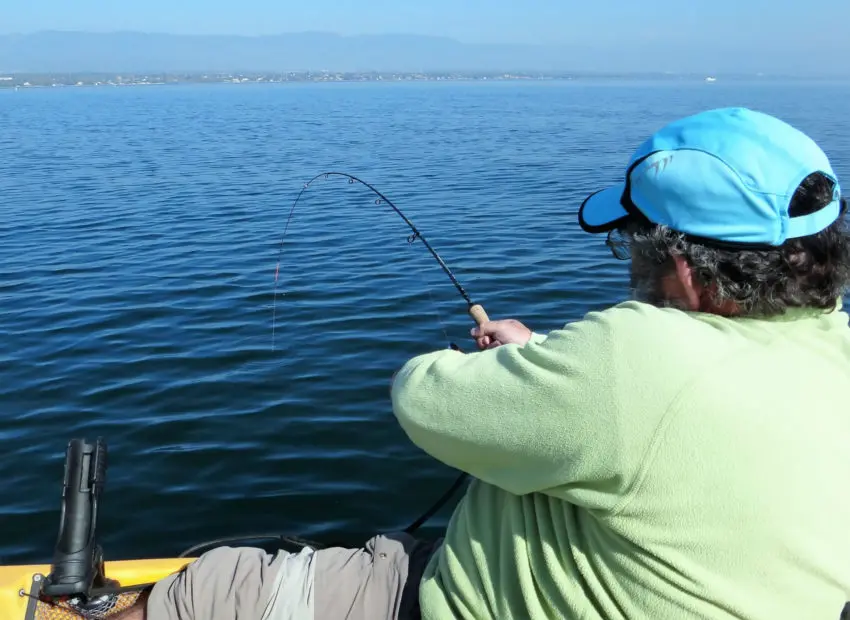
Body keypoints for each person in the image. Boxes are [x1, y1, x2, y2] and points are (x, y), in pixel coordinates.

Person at [117, 107, 850, 620]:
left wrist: (515, 369)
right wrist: (539, 362)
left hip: (452, 603)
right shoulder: (832, 353)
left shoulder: (641, 357)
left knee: (210, 591)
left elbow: (426, 398)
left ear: (687, 274)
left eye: (632, 247)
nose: (629, 265)